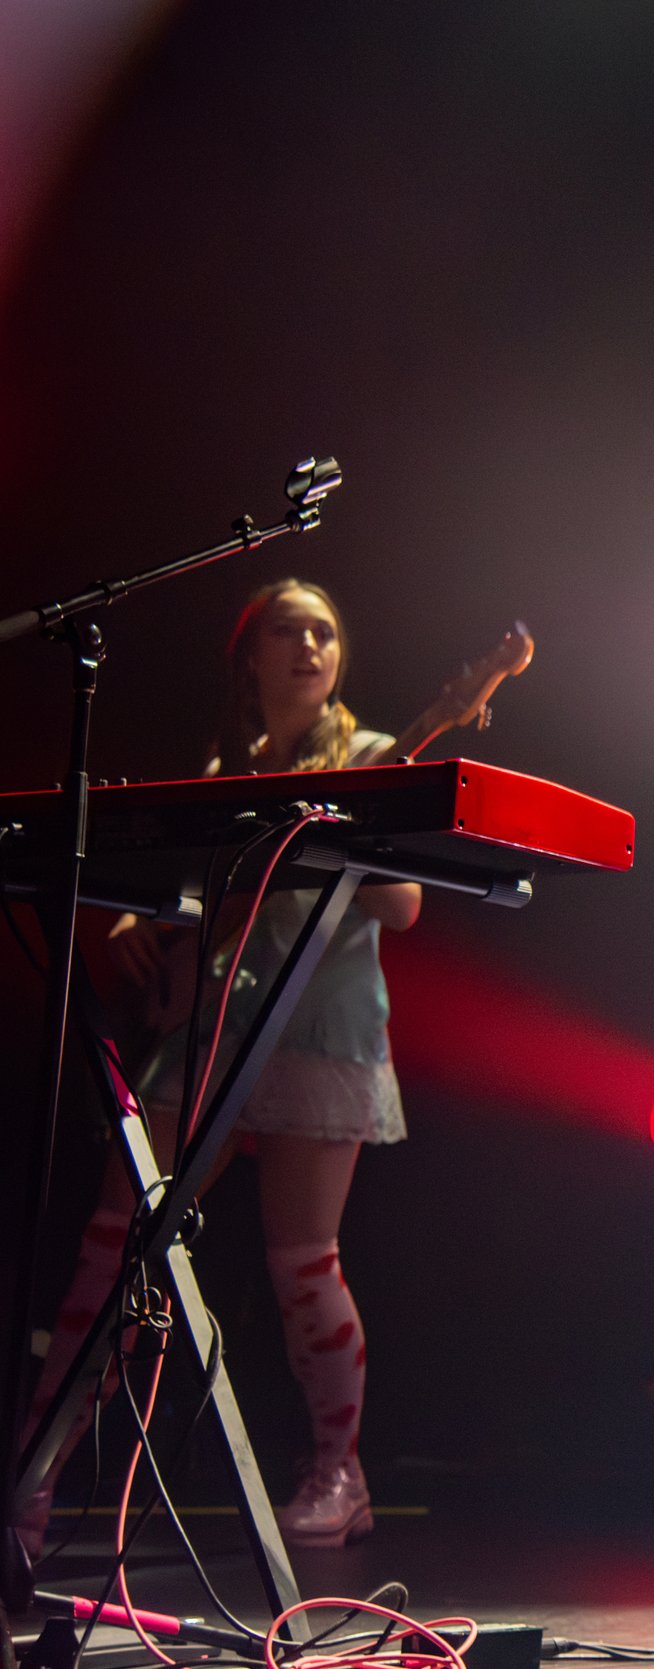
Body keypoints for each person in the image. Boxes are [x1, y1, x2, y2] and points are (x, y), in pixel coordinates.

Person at [13, 580, 416, 1555]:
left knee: (300, 1260)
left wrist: (335, 836)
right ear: (250, 655)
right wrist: (142, 922)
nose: (311, 645)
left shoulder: (367, 756)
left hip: (318, 1032)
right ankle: (33, 1469)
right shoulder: (224, 767)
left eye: (325, 629)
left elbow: (401, 905)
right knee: (114, 1242)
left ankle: (339, 1472)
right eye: (289, 629)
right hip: (214, 1032)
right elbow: (206, 911)